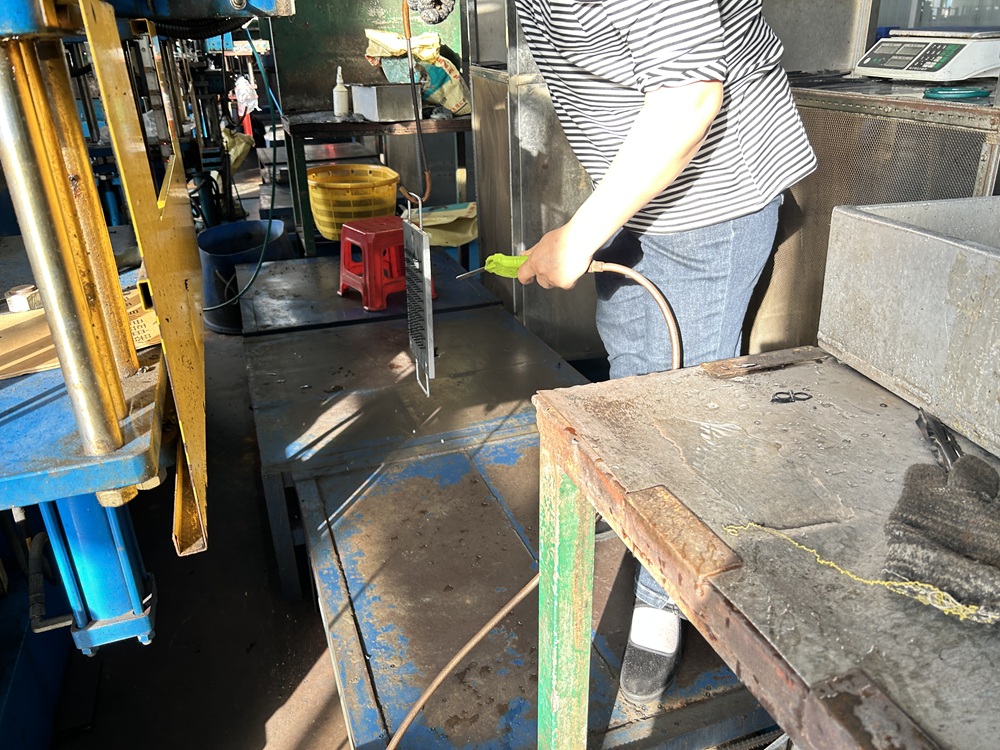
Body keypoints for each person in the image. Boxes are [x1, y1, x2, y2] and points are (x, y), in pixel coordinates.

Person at [512, 0, 817, 704]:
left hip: (709, 196)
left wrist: (580, 236)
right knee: (631, 385)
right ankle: (643, 530)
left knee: (680, 422)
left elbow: (688, 99)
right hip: (640, 192)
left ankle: (665, 603)